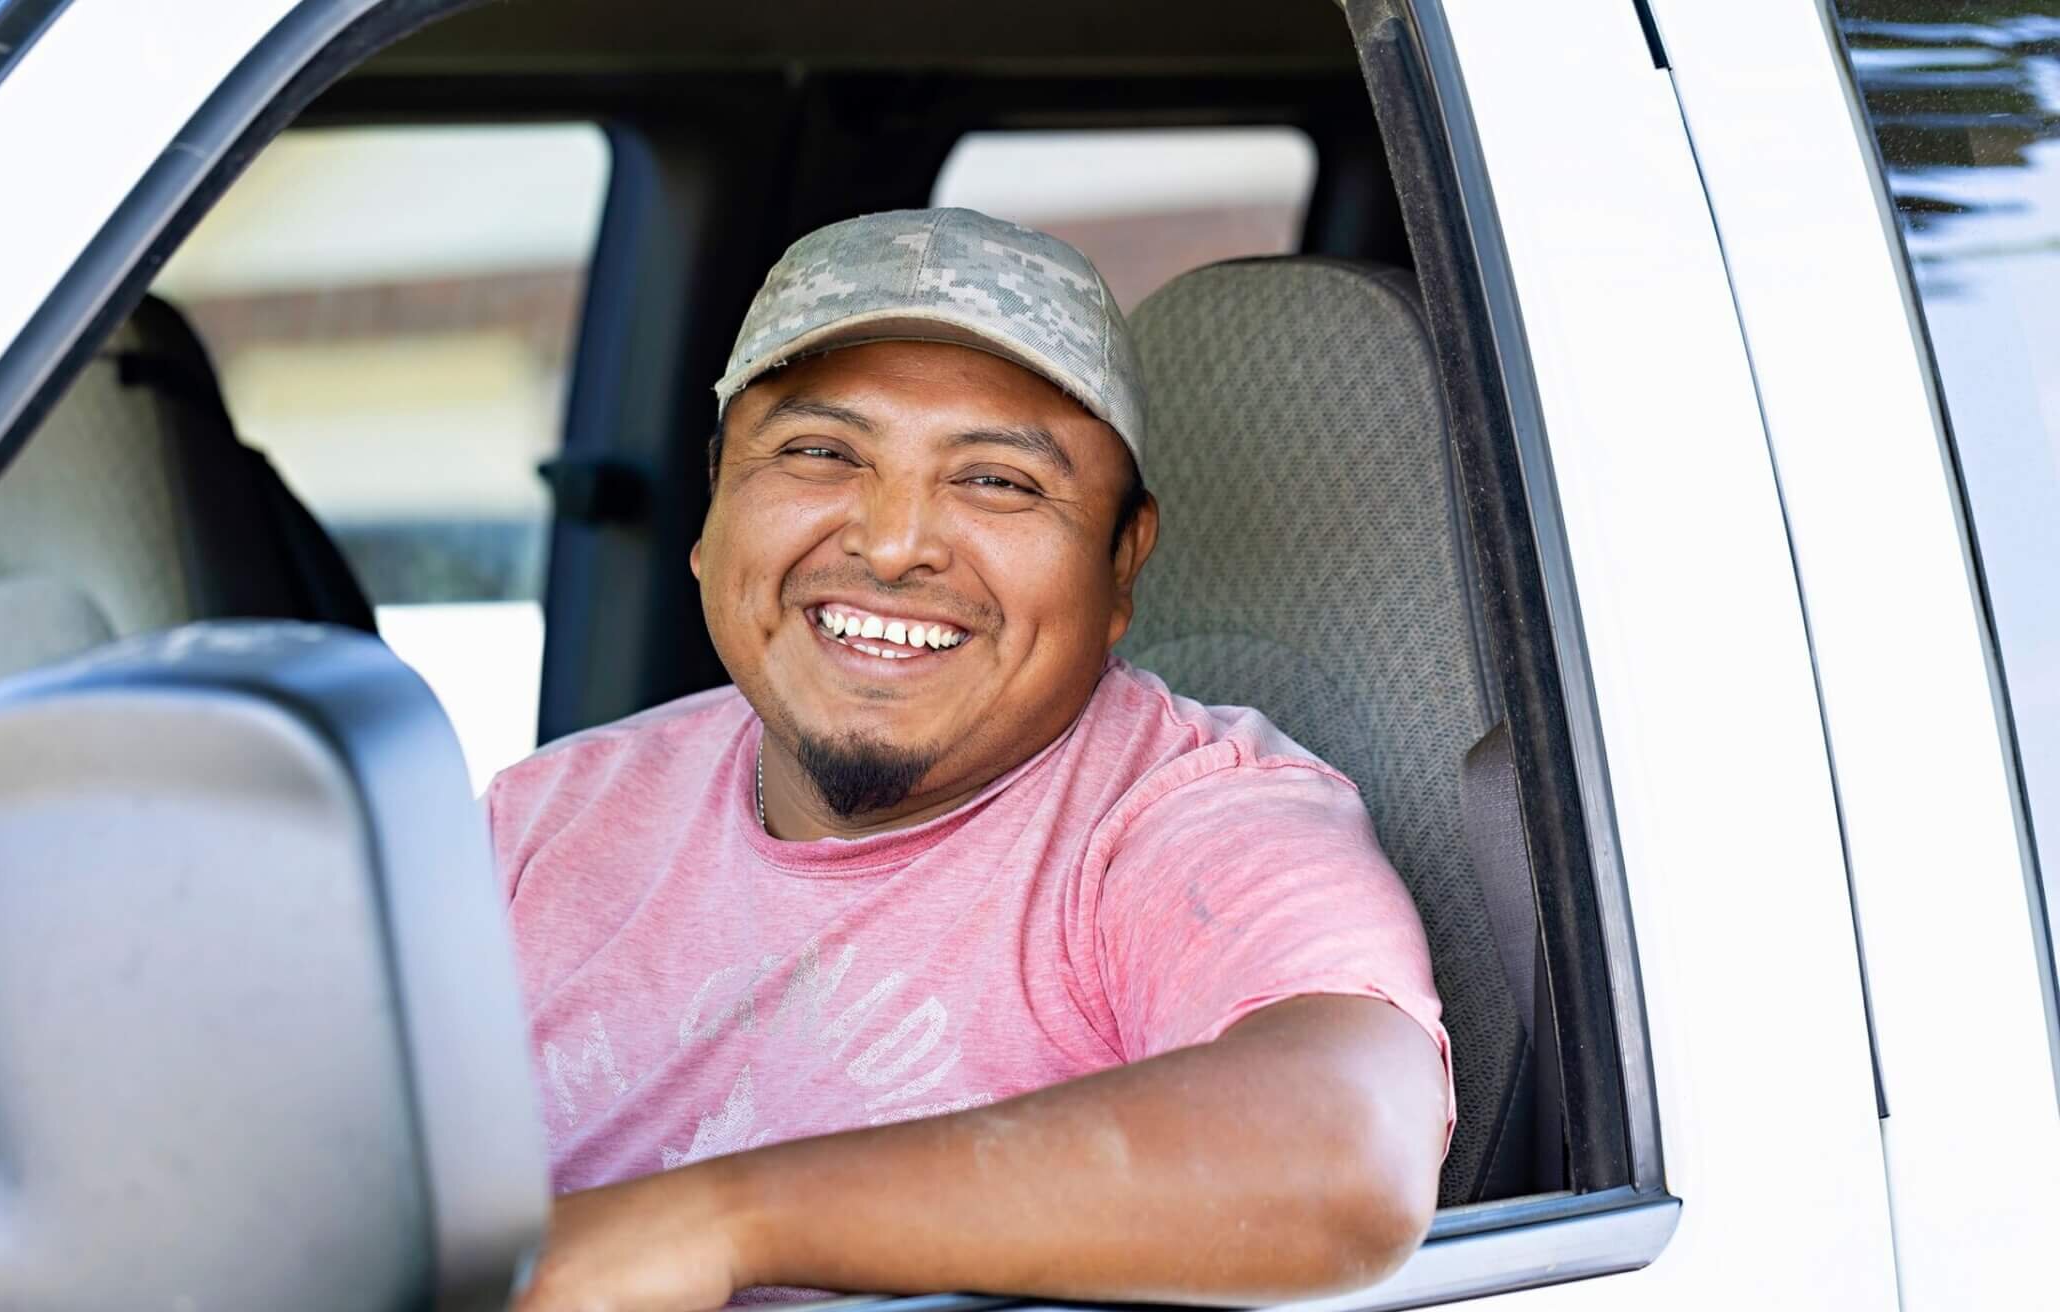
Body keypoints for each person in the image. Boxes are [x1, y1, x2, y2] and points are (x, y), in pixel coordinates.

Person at [489, 207, 1452, 1311]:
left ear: (1121, 564)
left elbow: (1346, 1153)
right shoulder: (542, 817)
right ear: (712, 506)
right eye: (820, 453)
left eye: (998, 480)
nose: (894, 544)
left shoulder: (1190, 819)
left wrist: (725, 1220)